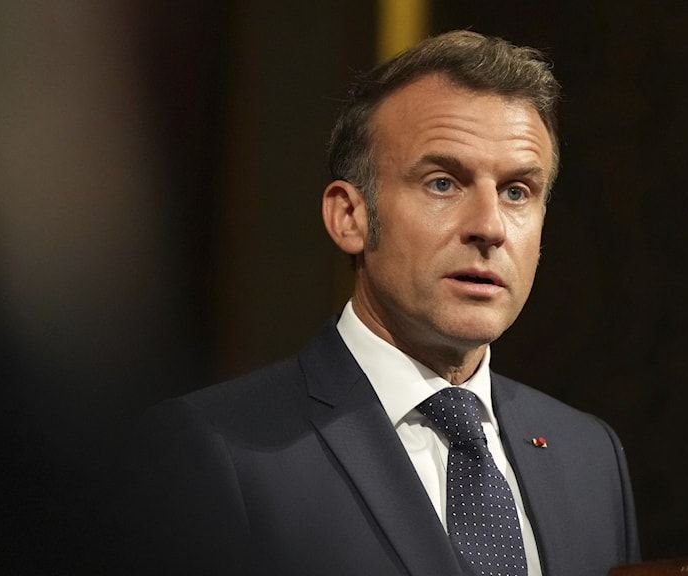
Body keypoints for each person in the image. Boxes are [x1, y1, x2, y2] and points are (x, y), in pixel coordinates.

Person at [122, 30, 639, 576]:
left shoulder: (589, 454)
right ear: (350, 216)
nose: (489, 227)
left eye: (516, 192)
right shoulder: (214, 448)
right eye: (443, 183)